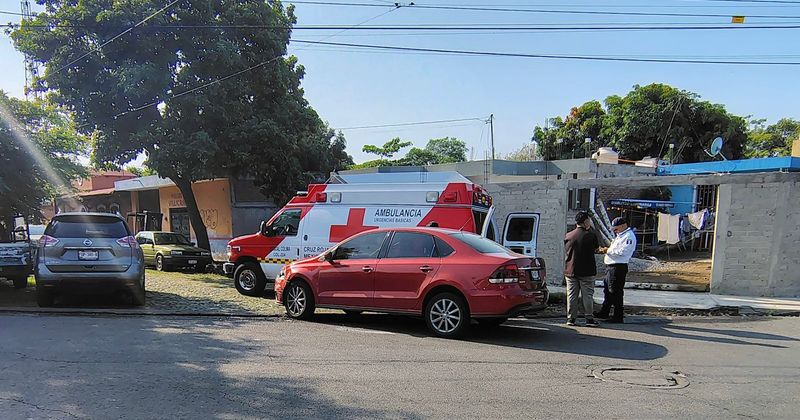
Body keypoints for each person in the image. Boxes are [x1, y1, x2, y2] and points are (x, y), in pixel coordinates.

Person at [596, 217, 637, 323]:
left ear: (623, 226)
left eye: (616, 229)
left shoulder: (628, 236)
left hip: (618, 267)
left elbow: (623, 252)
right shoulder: (620, 236)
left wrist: (607, 251)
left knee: (615, 292)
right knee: (607, 290)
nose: (615, 231)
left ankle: (618, 315)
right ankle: (604, 312)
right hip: (611, 266)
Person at [564, 211, 600, 327]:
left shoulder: (568, 235)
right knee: (587, 295)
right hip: (587, 271)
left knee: (571, 295)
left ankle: (571, 319)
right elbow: (596, 249)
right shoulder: (591, 235)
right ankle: (589, 319)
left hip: (570, 270)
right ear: (585, 222)